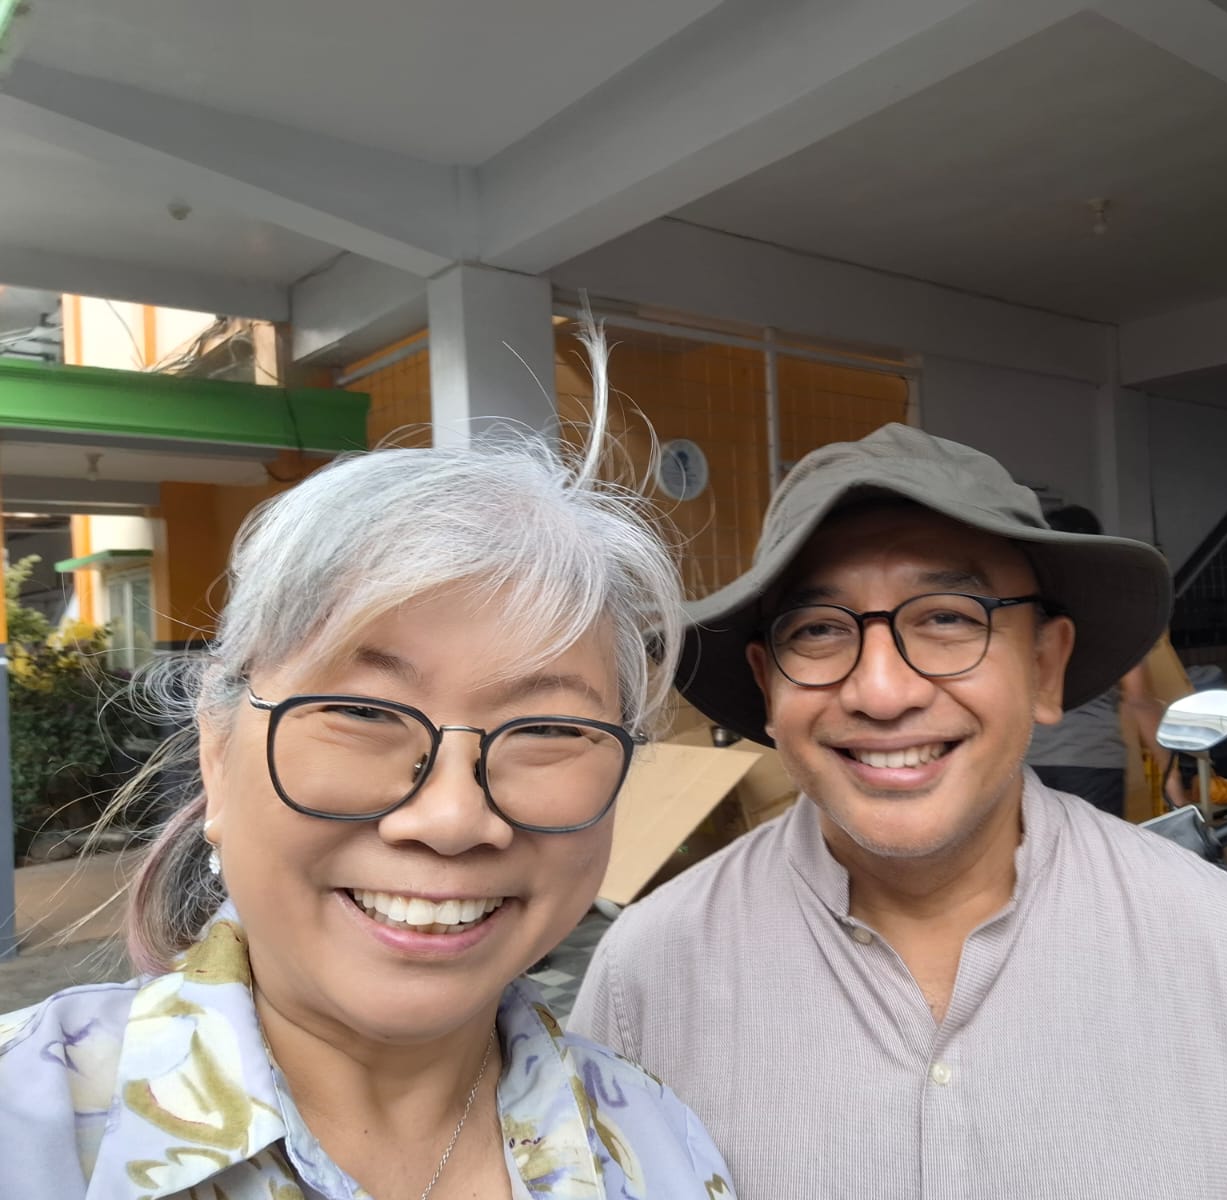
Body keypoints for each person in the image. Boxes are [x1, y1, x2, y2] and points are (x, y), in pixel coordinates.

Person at [570, 424, 1227, 1198]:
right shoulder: (649, 974)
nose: (881, 691)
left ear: (1046, 667)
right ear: (768, 686)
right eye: (819, 630)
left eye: (949, 617)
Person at [0, 360, 735, 1198]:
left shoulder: (658, 1148)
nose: (452, 818)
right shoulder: (31, 1126)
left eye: (547, 729)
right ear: (217, 752)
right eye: (362, 712)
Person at [1026, 503, 1188, 817]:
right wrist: (1172, 779)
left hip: (1025, 763)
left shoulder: (1022, 607)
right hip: (1091, 762)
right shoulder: (1111, 612)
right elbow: (1138, 700)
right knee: (1091, 850)